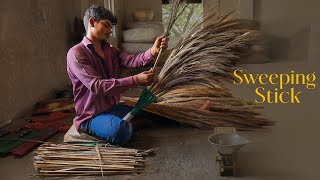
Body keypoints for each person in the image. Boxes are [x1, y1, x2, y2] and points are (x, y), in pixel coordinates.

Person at [66, 5, 168, 145]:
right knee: (119, 131)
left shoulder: (110, 50)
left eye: (111, 27)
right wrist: (135, 79)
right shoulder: (76, 53)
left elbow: (132, 60)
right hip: (91, 116)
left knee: (153, 109)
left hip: (113, 108)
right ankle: (127, 125)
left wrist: (152, 51)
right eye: (106, 25)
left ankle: (183, 117)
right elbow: (97, 86)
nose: (109, 31)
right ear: (91, 22)